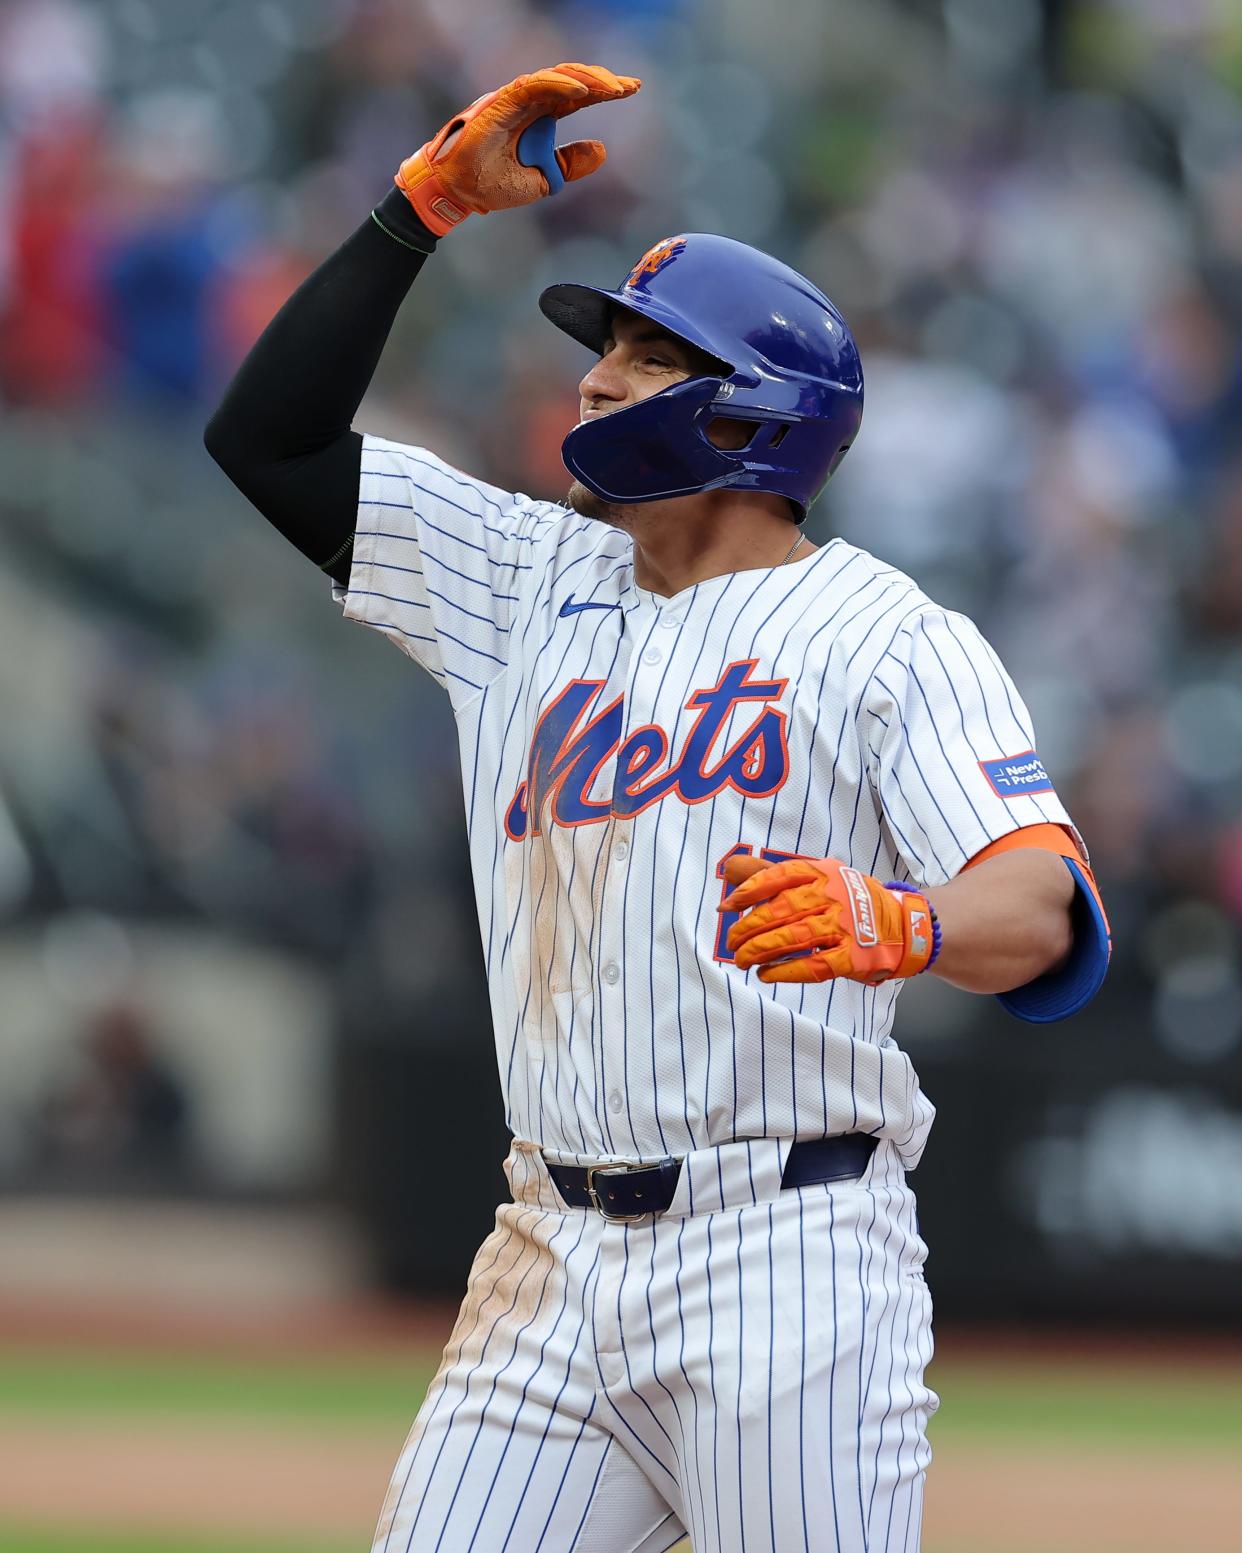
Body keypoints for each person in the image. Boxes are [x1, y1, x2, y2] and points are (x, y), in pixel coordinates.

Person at [205, 62, 1110, 1553]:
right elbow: (272, 444)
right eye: (604, 344)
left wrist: (901, 920)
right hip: (545, 1254)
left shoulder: (890, 636)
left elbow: (1039, 909)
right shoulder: (517, 577)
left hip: (790, 1248)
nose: (595, 376)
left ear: (754, 413)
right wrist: (415, 211)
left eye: (644, 352)